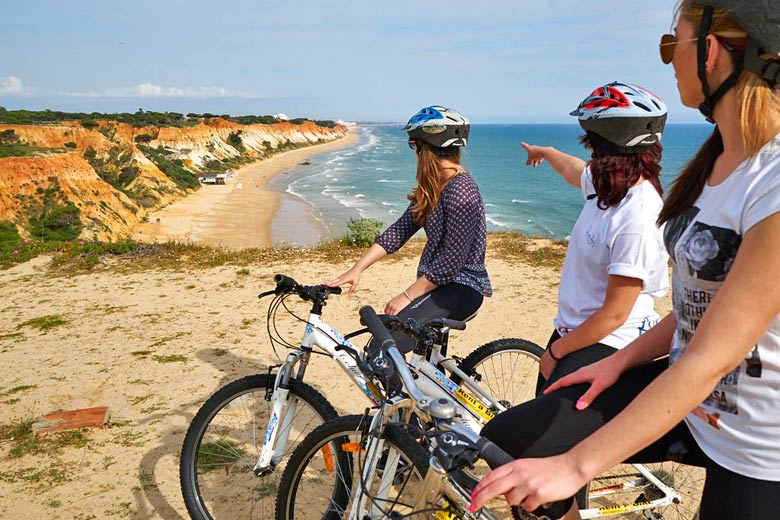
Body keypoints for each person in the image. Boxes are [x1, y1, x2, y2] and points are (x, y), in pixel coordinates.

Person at [471, 2, 780, 519]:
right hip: (689, 402)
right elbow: (695, 309)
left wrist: (574, 467)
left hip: (754, 443)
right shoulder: (717, 163)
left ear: (708, 52)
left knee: (554, 465)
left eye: (670, 45)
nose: (668, 61)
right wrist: (619, 362)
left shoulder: (769, 181)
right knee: (512, 438)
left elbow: (715, 355)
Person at [521, 82, 670, 392]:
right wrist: (546, 152)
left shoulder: (637, 218)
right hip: (574, 332)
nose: (588, 151)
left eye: (592, 144)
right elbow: (575, 171)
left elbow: (614, 314)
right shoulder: (612, 184)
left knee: (532, 437)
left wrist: (555, 352)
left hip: (608, 342)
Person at [327, 105, 492, 353]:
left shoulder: (461, 191)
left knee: (382, 350)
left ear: (424, 148)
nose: (413, 151)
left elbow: (452, 261)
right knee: (423, 363)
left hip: (461, 287)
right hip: (438, 286)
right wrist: (357, 269)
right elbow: (399, 231)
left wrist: (407, 295)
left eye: (413, 144)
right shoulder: (434, 186)